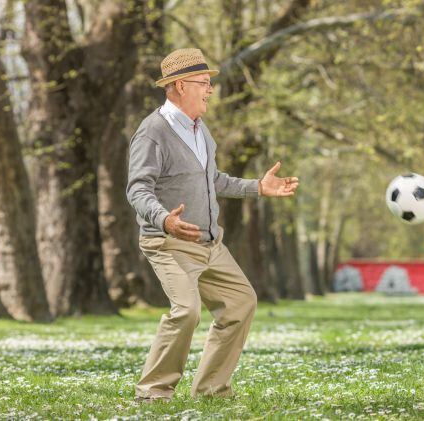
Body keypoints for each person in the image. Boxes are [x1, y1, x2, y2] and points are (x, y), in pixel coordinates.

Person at [127, 48, 299, 402]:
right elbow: (137, 189)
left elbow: (213, 179)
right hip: (168, 243)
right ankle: (153, 392)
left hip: (210, 244)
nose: (209, 90)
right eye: (203, 83)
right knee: (187, 311)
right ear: (178, 86)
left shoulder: (200, 130)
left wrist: (257, 188)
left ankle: (211, 391)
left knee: (241, 303)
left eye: (210, 83)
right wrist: (164, 220)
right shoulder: (152, 132)